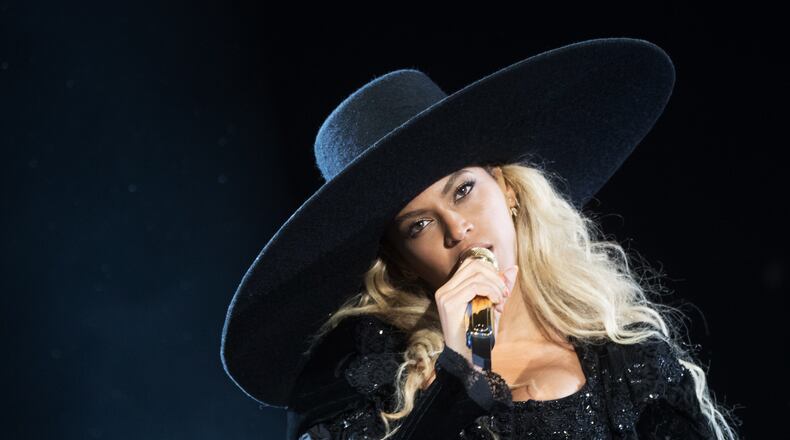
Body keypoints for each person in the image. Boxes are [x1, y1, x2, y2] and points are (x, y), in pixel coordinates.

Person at [219, 38, 741, 440]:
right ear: (399, 262)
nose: (456, 228)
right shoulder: (361, 381)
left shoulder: (627, 357)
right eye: (418, 225)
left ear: (508, 190)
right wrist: (460, 372)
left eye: (464, 190)